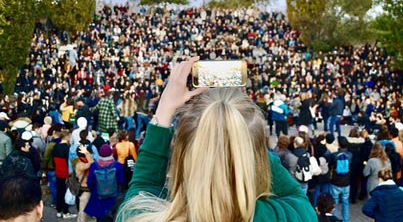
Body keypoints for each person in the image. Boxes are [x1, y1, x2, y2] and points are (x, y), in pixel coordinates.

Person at [116, 57, 318, 222]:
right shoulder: (280, 216)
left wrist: (164, 110)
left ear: (183, 153)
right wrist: (239, 132)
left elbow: (143, 188)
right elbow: (299, 201)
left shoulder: (143, 216)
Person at [85, 144, 124, 221]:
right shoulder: (118, 166)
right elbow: (121, 181)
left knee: (100, 218)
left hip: (98, 197)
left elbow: (90, 182)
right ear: (111, 153)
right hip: (113, 197)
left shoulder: (94, 166)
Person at [52, 129, 77, 219]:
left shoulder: (55, 147)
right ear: (68, 137)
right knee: (67, 193)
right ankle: (66, 212)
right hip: (66, 173)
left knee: (59, 192)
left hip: (58, 172)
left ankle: (59, 211)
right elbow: (71, 161)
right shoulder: (68, 148)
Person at [329, 136, 352, 222]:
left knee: (334, 202)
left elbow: (330, 165)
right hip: (346, 181)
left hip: (336, 181)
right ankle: (346, 220)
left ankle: (334, 220)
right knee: (345, 202)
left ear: (339, 144)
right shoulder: (350, 155)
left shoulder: (334, 155)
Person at [75, 144, 94, 222]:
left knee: (82, 212)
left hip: (86, 190)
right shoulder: (80, 164)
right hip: (84, 190)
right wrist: (87, 153)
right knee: (83, 213)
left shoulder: (78, 161)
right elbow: (92, 163)